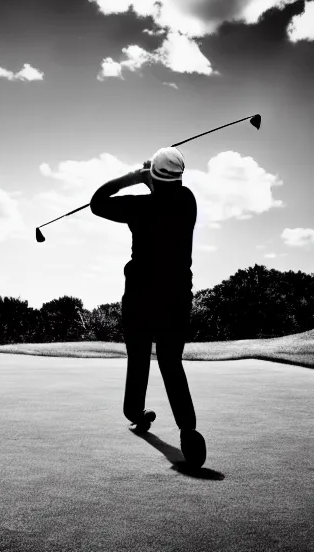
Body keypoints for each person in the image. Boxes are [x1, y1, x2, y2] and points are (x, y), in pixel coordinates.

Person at [89, 147, 207, 468]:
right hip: (177, 298)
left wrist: (133, 177)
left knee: (139, 358)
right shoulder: (188, 201)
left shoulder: (138, 206)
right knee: (170, 362)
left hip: (140, 298)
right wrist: (151, 179)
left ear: (152, 177)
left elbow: (97, 203)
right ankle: (188, 431)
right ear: (179, 178)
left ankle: (134, 412)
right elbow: (166, 194)